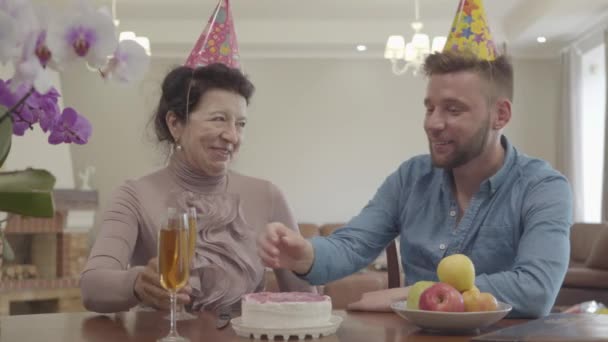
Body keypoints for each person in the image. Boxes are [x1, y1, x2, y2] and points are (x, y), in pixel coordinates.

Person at [257, 51, 573, 318]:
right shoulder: (411, 177)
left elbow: (536, 289)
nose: (433, 123)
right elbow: (352, 245)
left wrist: (412, 295)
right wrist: (305, 256)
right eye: (430, 107)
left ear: (500, 115)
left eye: (453, 109)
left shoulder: (543, 187)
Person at [81, 63, 314, 314]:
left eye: (241, 124)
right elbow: (92, 287)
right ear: (175, 124)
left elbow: (305, 301)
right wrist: (137, 283)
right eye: (219, 119)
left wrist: (308, 262)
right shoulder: (133, 196)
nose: (232, 136)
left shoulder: (269, 197)